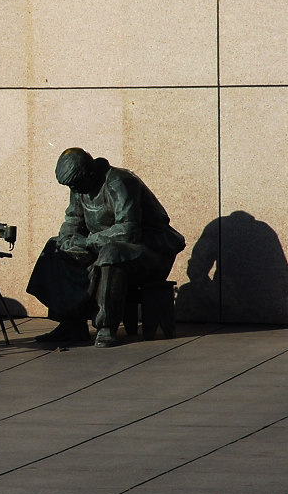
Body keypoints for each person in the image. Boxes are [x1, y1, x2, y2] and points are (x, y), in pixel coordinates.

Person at [26, 147, 185, 348]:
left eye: (75, 185)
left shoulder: (119, 182)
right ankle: (71, 323)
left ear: (90, 173)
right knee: (55, 247)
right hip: (104, 245)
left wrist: (87, 242)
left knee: (112, 254)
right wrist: (67, 239)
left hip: (148, 251)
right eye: (71, 187)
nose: (74, 190)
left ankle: (106, 326)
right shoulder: (79, 187)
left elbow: (129, 230)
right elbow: (74, 219)